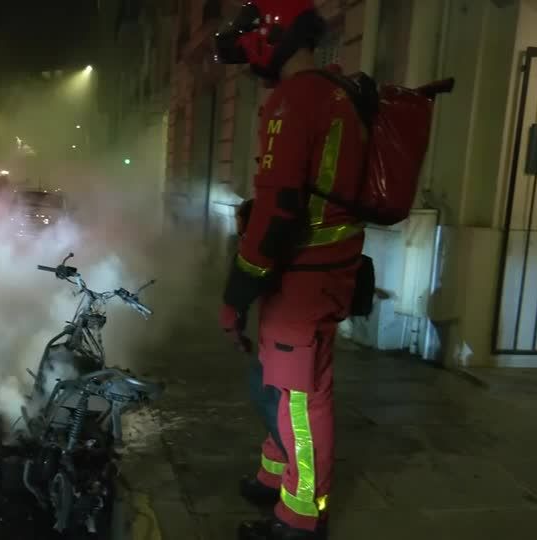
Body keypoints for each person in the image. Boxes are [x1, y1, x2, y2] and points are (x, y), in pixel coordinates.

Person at [215, 2, 367, 539]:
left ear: (272, 35)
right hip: (325, 270)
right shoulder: (334, 91)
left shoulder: (294, 101)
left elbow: (277, 211)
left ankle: (300, 519)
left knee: (298, 399)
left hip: (303, 278)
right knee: (285, 384)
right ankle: (274, 474)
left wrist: (236, 296)